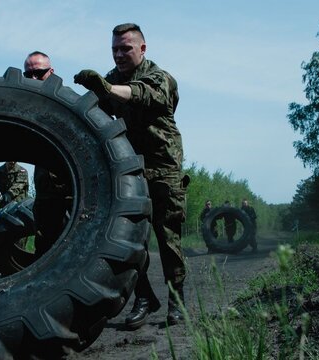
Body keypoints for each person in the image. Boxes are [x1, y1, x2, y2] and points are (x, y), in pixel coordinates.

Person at [74, 23, 188, 328]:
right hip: (129, 170)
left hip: (164, 168)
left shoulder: (159, 77)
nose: (119, 54)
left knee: (168, 239)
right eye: (114, 49)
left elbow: (145, 95)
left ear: (142, 48)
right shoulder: (110, 80)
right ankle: (144, 296)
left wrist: (108, 90)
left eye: (126, 48)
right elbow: (95, 110)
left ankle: (177, 303)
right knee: (128, 239)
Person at [22, 51, 72, 257]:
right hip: (45, 189)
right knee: (44, 244)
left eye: (39, 73)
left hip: (72, 188)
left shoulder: (68, 101)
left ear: (51, 72)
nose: (34, 79)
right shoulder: (23, 104)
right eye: (28, 75)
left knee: (74, 243)